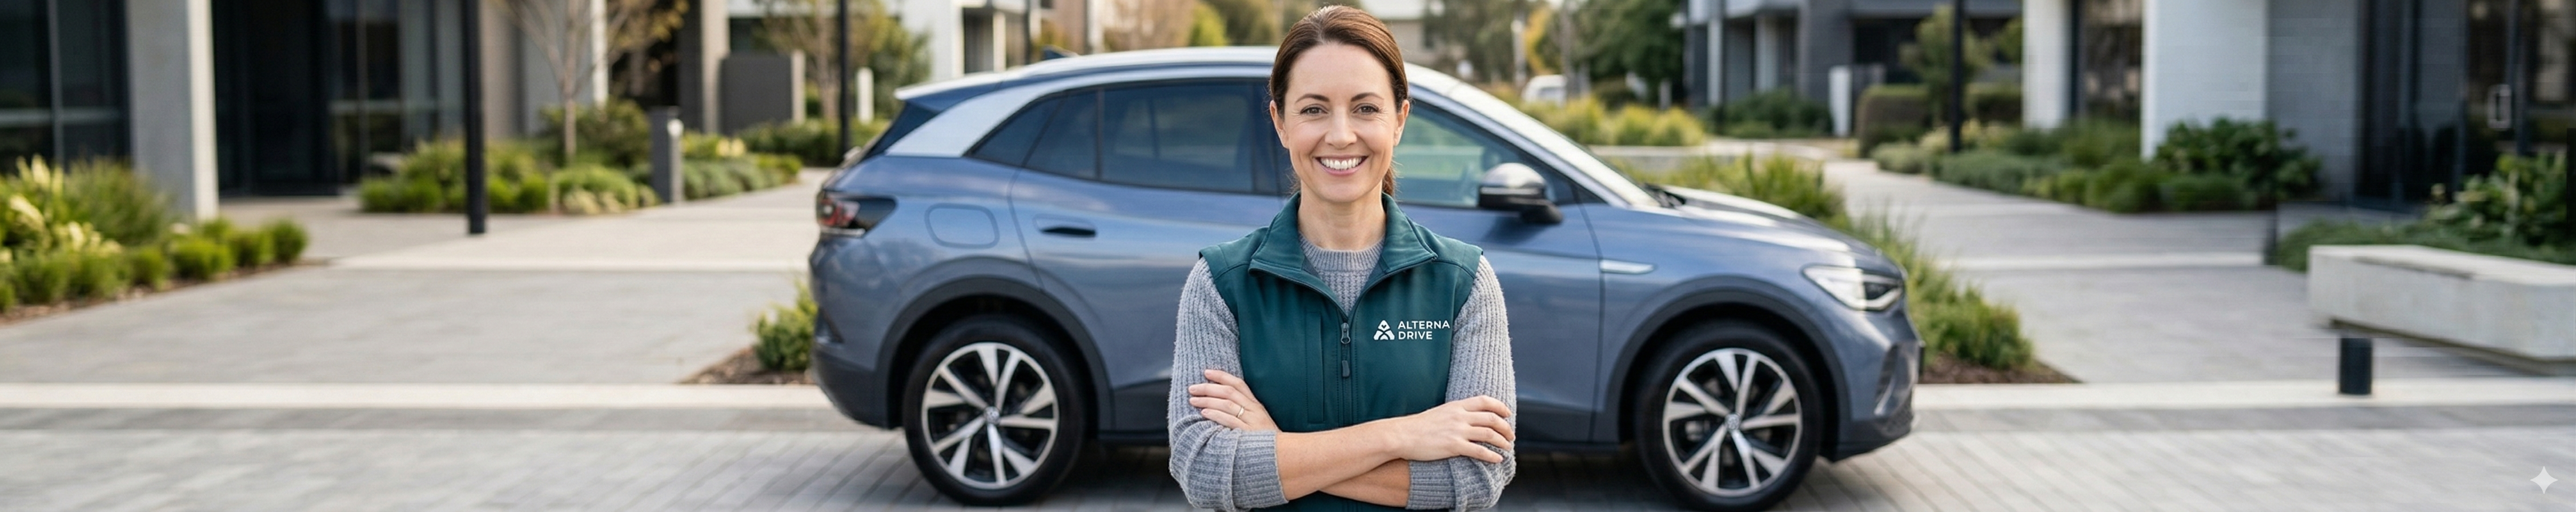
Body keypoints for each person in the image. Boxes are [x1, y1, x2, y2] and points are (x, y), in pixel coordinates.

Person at [1166, 6, 1517, 511]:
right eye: (1313, 109)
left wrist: (1276, 445)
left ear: (1399, 119)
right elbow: (1207, 471)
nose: (1340, 135)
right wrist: (1401, 436)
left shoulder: (1462, 282)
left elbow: (1478, 478)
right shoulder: (1222, 284)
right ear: (1280, 122)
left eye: (1365, 108)